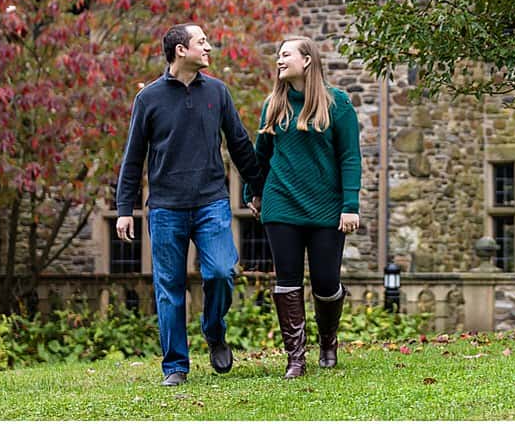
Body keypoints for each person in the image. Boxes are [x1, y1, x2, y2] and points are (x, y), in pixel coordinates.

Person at [115, 23, 260, 386]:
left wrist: (257, 189)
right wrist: (124, 209)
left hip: (212, 202)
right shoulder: (148, 98)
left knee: (222, 272)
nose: (209, 47)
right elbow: (133, 157)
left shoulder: (218, 92)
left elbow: (240, 144)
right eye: (202, 42)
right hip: (166, 208)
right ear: (181, 50)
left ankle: (214, 331)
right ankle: (176, 366)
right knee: (170, 288)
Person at [250, 36, 363, 375]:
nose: (279, 60)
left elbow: (350, 157)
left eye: (285, 55)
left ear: (307, 60)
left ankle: (328, 342)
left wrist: (350, 204)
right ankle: (295, 358)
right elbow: (260, 156)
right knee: (287, 280)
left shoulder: (338, 104)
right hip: (281, 204)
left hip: (326, 207)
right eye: (278, 55)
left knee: (326, 282)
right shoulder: (274, 105)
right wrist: (253, 193)